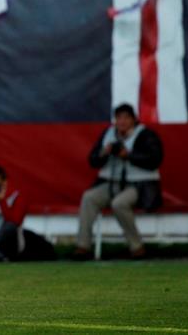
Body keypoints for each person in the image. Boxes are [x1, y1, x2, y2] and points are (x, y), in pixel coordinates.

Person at [74, 103, 164, 260]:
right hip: (111, 182)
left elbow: (154, 159)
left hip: (139, 185)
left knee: (119, 203)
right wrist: (104, 153)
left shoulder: (145, 135)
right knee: (89, 197)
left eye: (126, 118)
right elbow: (92, 160)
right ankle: (83, 246)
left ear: (134, 119)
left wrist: (128, 155)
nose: (121, 122)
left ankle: (137, 247)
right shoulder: (108, 134)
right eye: (118, 118)